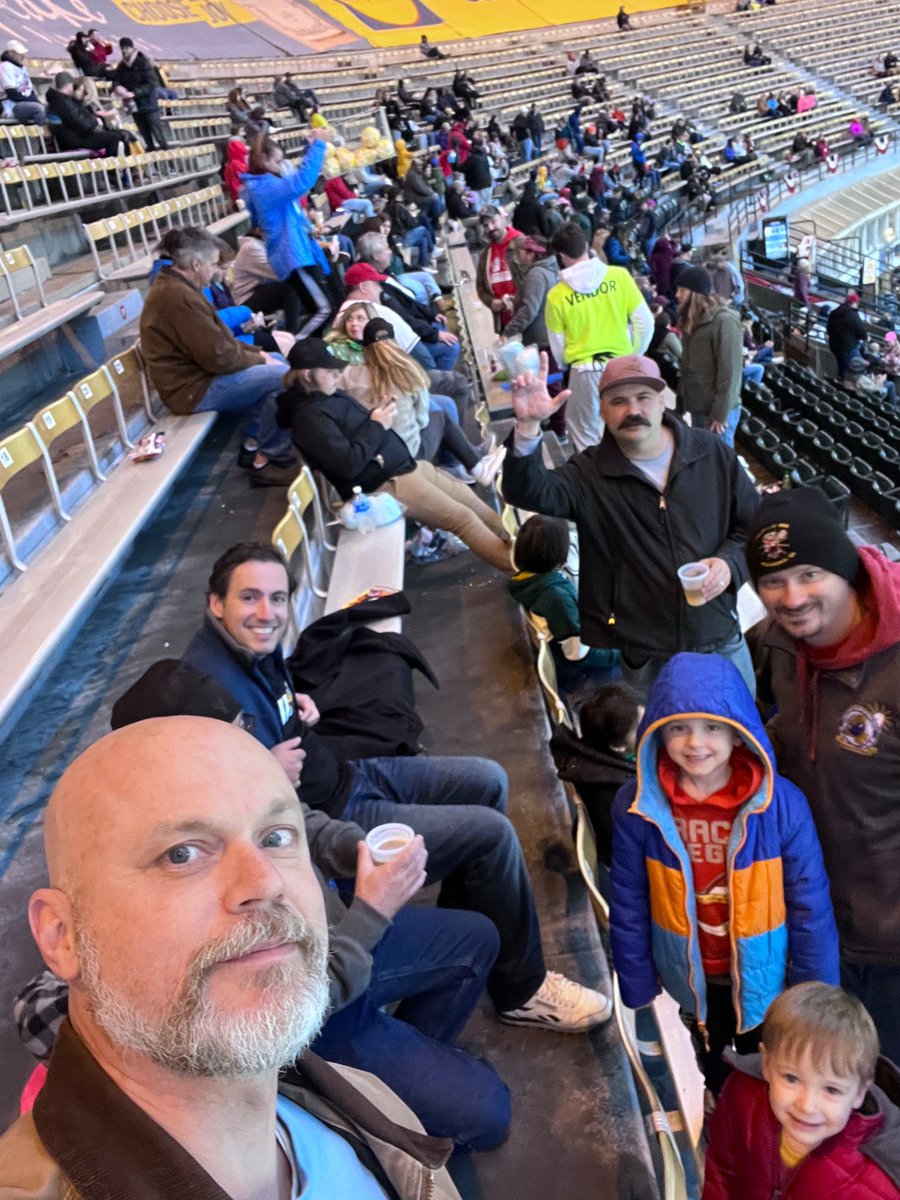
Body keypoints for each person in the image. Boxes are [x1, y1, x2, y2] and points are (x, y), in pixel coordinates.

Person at [0, 715, 464, 1198]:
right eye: (182, 854)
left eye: (276, 838)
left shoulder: (371, 1101)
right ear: (62, 936)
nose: (266, 882)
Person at [182, 539, 615, 1032]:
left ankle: (465, 939)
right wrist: (264, 775)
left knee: (488, 780)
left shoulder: (249, 646)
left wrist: (295, 703)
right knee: (491, 835)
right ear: (215, 603)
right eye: (249, 597)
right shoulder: (206, 689)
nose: (267, 612)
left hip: (349, 771)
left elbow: (270, 703)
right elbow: (213, 805)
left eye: (277, 598)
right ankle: (522, 990)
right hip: (331, 814)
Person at [611, 653, 840, 1094]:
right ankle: (722, 1103)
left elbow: (809, 902)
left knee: (772, 1061)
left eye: (712, 726)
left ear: (740, 735)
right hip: (693, 975)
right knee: (713, 1060)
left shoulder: (780, 805)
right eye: (679, 727)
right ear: (657, 733)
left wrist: (817, 994)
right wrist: (637, 979)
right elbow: (628, 897)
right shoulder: (638, 806)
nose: (696, 743)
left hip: (765, 974)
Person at [744, 487, 900, 1065]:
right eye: (773, 581)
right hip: (818, 915)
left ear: (846, 569)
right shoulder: (779, 644)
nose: (791, 597)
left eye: (809, 574)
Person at [502, 352, 761, 695]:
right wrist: (528, 427)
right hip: (644, 649)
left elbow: (753, 528)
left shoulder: (711, 453)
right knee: (665, 739)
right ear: (602, 410)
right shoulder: (588, 474)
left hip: (717, 633)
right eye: (618, 401)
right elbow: (528, 490)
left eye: (643, 398)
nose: (632, 410)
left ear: (661, 401)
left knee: (741, 730)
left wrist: (730, 566)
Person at [276, 339, 512, 569]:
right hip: (385, 484)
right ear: (307, 374)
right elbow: (349, 463)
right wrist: (377, 424)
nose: (338, 377)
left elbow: (355, 431)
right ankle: (519, 568)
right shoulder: (307, 418)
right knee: (463, 519)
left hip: (403, 467)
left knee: (467, 497)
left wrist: (377, 414)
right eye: (330, 372)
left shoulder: (325, 395)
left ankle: (518, 545)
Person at [703, 982, 900, 1199]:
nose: (806, 1106)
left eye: (832, 1090)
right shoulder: (742, 1095)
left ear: (860, 1093)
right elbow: (722, 1170)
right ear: (766, 1064)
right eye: (791, 1078)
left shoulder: (879, 1182)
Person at [139, 226, 295, 486]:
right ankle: (267, 460)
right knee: (284, 377)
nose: (215, 271)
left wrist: (258, 353)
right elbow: (219, 357)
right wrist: (258, 359)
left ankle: (255, 448)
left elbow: (220, 342)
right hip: (191, 390)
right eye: (212, 264)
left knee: (278, 363)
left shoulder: (179, 287)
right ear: (196, 264)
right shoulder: (177, 297)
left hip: (199, 378)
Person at [337, 316, 504, 482]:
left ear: (364, 347)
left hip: (373, 455)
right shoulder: (408, 371)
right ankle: (478, 469)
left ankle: (462, 460)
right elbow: (423, 420)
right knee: (441, 417)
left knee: (444, 404)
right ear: (395, 342)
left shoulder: (348, 374)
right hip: (409, 455)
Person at [543, 222, 653, 452]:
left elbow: (557, 345)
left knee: (587, 439)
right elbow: (645, 322)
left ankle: (596, 487)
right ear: (585, 245)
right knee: (629, 431)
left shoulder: (556, 296)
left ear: (562, 256)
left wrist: (566, 364)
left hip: (584, 370)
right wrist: (633, 354)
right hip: (622, 367)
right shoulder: (620, 276)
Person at [509, 514, 619, 694]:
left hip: (569, 650)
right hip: (580, 674)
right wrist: (618, 654)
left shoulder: (528, 578)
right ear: (556, 553)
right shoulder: (556, 597)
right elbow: (579, 654)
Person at [241, 134, 334, 342]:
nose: (281, 166)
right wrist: (318, 146)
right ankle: (293, 347)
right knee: (323, 310)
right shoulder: (264, 187)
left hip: (298, 252)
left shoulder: (263, 185)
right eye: (277, 161)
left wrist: (307, 148)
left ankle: (311, 352)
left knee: (324, 307)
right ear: (263, 160)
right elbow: (301, 182)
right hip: (293, 255)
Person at [550, 682, 642, 865]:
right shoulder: (616, 794)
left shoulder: (591, 754)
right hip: (625, 858)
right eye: (640, 727)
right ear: (618, 746)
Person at [676, 265, 744, 448]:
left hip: (717, 412)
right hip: (699, 407)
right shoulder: (694, 320)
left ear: (696, 293)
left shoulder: (724, 321)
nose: (677, 295)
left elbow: (730, 372)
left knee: (720, 465)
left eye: (682, 290)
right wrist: (681, 403)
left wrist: (720, 414)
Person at [45, 71, 128, 155]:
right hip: (74, 139)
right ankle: (115, 165)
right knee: (115, 137)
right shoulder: (62, 102)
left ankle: (117, 165)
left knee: (117, 135)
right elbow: (82, 124)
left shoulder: (60, 100)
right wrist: (95, 121)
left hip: (75, 136)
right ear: (68, 86)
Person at [111, 38, 168, 150]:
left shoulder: (142, 62)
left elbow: (151, 83)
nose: (124, 51)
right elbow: (116, 80)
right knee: (146, 138)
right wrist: (118, 87)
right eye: (122, 48)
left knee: (158, 135)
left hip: (149, 105)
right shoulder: (122, 66)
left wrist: (135, 93)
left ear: (132, 48)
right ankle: (154, 162)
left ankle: (169, 163)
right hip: (135, 107)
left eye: (126, 48)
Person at [476, 206, 524, 333]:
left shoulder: (521, 243)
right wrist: (491, 301)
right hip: (504, 324)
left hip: (525, 318)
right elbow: (481, 288)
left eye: (493, 221)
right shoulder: (485, 255)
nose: (490, 228)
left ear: (502, 219)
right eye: (486, 225)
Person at [0, 39, 46, 123]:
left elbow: (30, 90)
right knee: (38, 109)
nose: (23, 56)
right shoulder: (5, 67)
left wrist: (35, 100)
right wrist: (33, 101)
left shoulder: (22, 68)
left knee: (50, 108)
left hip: (26, 103)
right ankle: (46, 134)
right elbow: (12, 94)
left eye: (23, 54)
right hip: (13, 105)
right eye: (20, 54)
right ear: (11, 53)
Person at [827, 291, 868, 382]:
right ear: (854, 303)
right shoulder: (853, 315)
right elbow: (862, 333)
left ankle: (840, 383)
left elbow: (829, 329)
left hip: (835, 346)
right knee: (854, 371)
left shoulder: (834, 313)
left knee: (842, 367)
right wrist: (865, 336)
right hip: (849, 348)